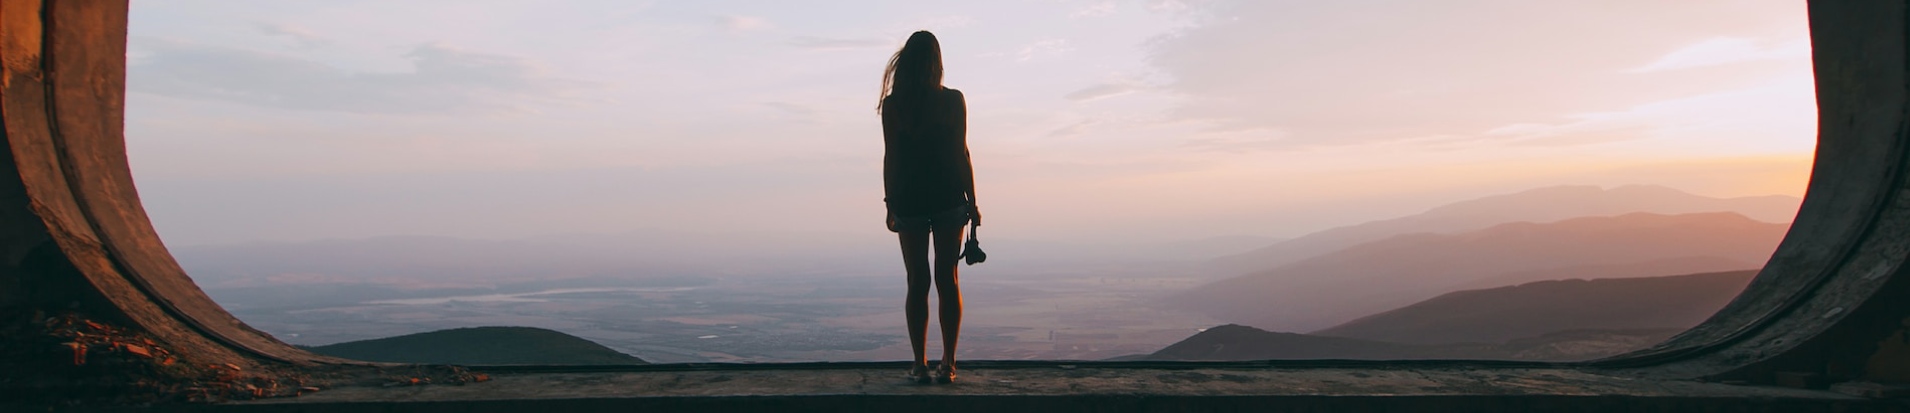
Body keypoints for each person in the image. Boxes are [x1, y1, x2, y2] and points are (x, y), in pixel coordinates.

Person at [879, 30, 979, 384]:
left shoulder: (894, 105)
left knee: (917, 281)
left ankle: (919, 365)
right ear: (937, 63)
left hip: (909, 200)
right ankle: (948, 364)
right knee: (948, 280)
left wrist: (890, 202)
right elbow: (962, 154)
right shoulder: (953, 101)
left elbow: (891, 156)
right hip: (950, 197)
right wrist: (975, 202)